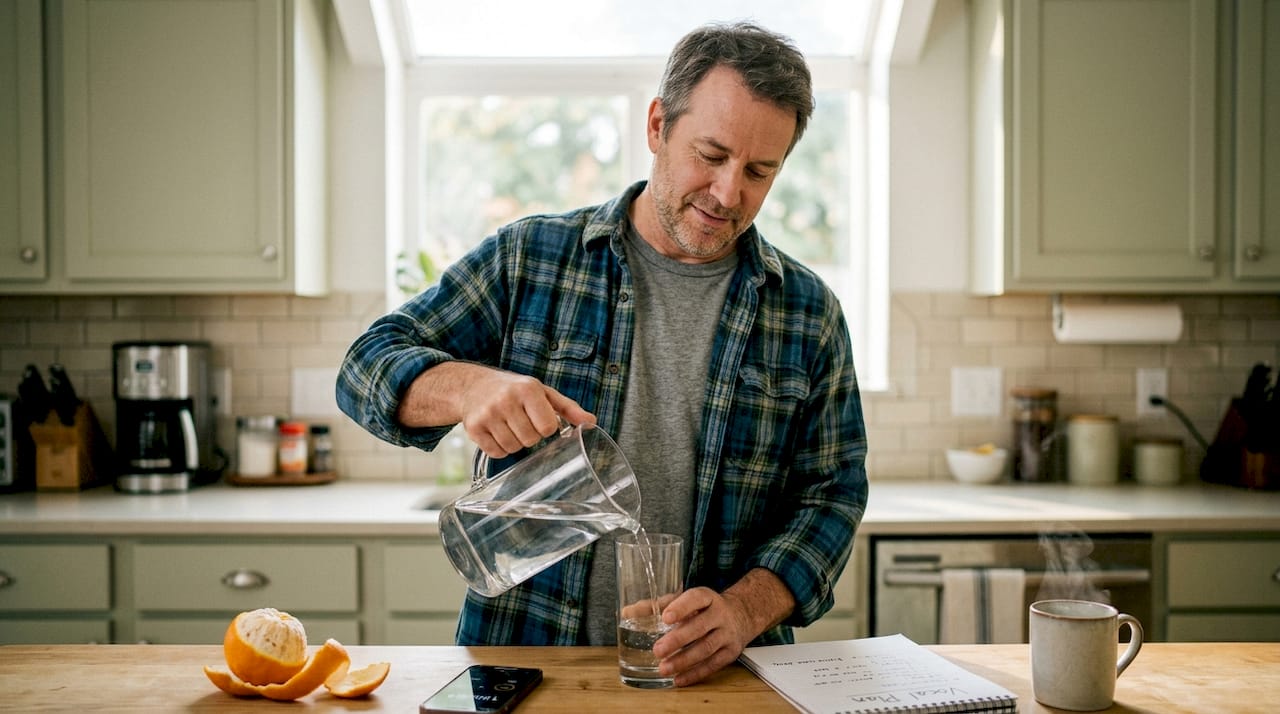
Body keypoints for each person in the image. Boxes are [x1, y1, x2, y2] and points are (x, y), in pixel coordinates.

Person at [337, 21, 868, 687]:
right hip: (526, 665)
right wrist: (466, 388)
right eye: (711, 154)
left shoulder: (807, 313)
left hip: (718, 682)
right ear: (656, 126)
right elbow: (364, 366)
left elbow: (835, 493)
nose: (729, 193)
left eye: (759, 172)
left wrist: (742, 608)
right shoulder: (531, 259)